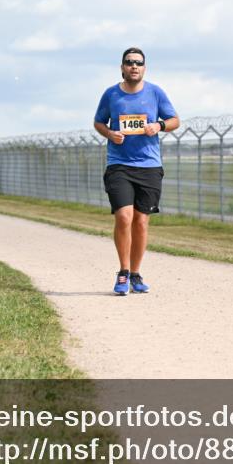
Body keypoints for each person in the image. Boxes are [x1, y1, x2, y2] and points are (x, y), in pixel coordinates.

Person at [93, 47, 179, 295]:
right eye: (129, 62)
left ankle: (136, 273)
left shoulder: (155, 92)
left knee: (141, 222)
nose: (134, 66)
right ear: (122, 67)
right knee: (124, 217)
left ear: (144, 67)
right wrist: (109, 133)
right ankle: (123, 272)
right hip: (119, 164)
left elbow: (175, 120)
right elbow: (98, 121)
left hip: (149, 166)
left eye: (138, 63)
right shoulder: (111, 94)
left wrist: (158, 125)